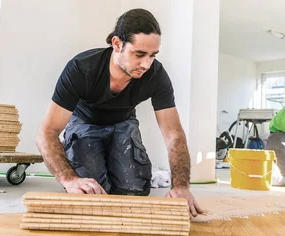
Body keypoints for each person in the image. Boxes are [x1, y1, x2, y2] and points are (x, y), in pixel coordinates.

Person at [36, 8, 203, 216]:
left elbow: (174, 134)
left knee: (134, 192)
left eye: (152, 55)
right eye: (139, 54)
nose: (146, 64)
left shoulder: (156, 75)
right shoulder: (81, 68)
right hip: (86, 123)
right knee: (93, 193)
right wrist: (69, 179)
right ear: (117, 44)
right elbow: (47, 131)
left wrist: (181, 186)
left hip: (123, 123)